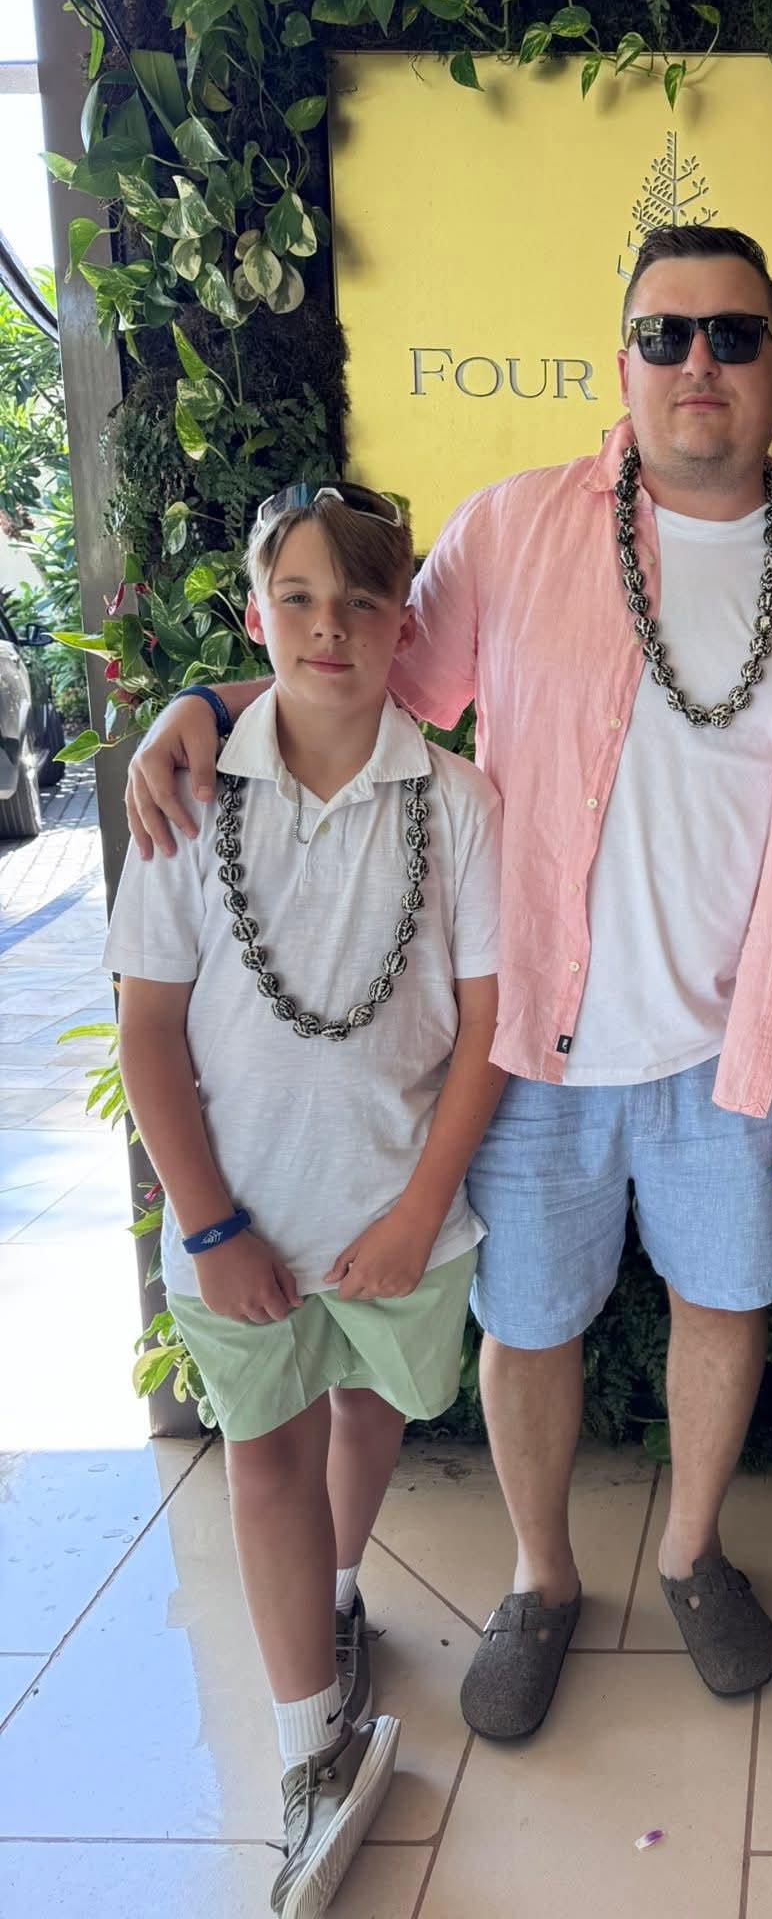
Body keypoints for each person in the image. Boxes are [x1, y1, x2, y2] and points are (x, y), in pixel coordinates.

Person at [123, 227, 772, 1738]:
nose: (698, 366)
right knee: (530, 1322)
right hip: (533, 1033)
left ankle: (691, 1550)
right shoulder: (519, 529)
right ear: (623, 366)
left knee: (723, 1304)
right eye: (664, 336)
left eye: (732, 335)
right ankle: (540, 1579)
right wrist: (207, 701)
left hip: (733, 1046)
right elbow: (365, 677)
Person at [108, 485, 504, 1917]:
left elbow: (483, 1024)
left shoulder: (454, 803)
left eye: (361, 602)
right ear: (255, 612)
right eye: (298, 600)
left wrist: (416, 1214)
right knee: (260, 1454)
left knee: (367, 1409)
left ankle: (338, 1595)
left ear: (405, 624)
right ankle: (303, 1750)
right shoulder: (189, 797)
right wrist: (208, 1226)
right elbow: (149, 1029)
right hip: (240, 1223)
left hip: (397, 1215)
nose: (329, 630)